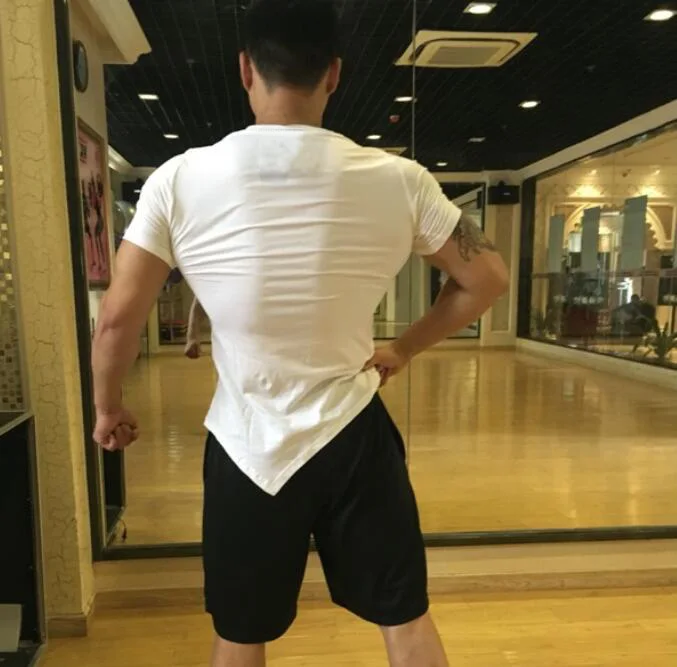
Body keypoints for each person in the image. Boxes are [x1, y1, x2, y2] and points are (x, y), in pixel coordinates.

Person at [90, 1, 509, 665]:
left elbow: (117, 317)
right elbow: (486, 279)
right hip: (354, 434)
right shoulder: (400, 180)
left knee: (239, 633)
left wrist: (108, 406)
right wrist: (403, 347)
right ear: (334, 74)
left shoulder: (179, 179)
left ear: (244, 70)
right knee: (405, 621)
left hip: (246, 442)